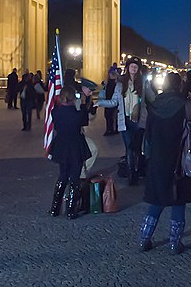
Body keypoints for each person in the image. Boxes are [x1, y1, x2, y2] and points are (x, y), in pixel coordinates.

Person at [138, 72, 191, 254]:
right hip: (180, 158)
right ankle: (175, 243)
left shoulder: (154, 106)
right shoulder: (186, 105)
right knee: (179, 200)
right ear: (179, 85)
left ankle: (145, 238)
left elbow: (147, 135)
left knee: (157, 199)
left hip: (158, 159)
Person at [97, 58, 149, 185]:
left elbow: (152, 98)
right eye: (131, 66)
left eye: (136, 67)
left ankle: (136, 170)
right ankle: (132, 174)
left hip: (139, 121)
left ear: (139, 69)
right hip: (125, 120)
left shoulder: (144, 83)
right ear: (127, 68)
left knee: (137, 148)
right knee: (129, 148)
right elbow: (114, 101)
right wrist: (100, 103)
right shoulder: (120, 84)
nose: (133, 68)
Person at [47, 86, 92, 219]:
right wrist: (83, 103)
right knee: (74, 178)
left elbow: (57, 124)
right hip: (76, 146)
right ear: (73, 98)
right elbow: (84, 122)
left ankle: (55, 208)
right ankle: (71, 210)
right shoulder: (78, 113)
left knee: (62, 176)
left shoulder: (55, 112)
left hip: (61, 145)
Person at [102, 67, 118, 136]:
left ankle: (110, 129)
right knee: (112, 116)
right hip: (111, 101)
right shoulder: (115, 82)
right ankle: (113, 129)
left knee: (109, 116)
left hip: (110, 101)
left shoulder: (110, 82)